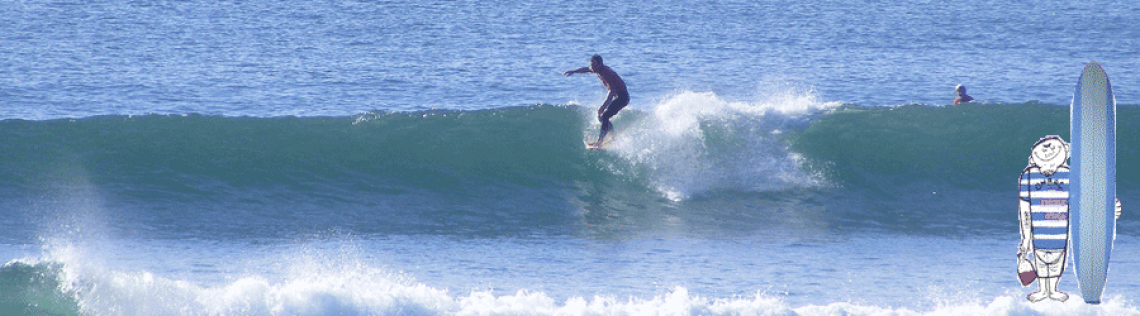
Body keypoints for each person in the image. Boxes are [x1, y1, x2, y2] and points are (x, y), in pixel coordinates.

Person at [564, 55, 629, 148]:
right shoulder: (597, 69)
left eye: (594, 65)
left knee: (605, 116)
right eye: (592, 65)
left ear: (600, 64)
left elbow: (612, 91)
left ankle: (600, 142)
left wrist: (603, 106)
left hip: (622, 97)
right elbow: (586, 69)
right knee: (603, 118)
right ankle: (613, 137)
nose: (592, 67)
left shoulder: (606, 73)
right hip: (618, 97)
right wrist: (573, 71)